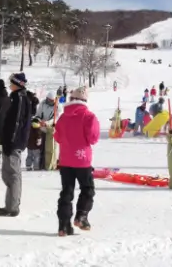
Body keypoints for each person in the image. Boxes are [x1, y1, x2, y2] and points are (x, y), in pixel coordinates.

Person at [53, 86, 100, 235]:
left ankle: (63, 225)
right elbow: (93, 138)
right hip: (82, 160)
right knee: (87, 189)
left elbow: (57, 137)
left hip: (66, 160)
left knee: (66, 191)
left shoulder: (62, 116)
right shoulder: (89, 116)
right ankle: (81, 215)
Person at [0, 72, 32, 217]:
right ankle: (10, 205)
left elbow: (17, 122)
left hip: (13, 142)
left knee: (12, 174)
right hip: (9, 141)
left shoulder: (20, 99)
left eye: (11, 82)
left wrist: (11, 141)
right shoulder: (15, 97)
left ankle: (12, 207)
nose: (9, 84)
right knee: (7, 174)